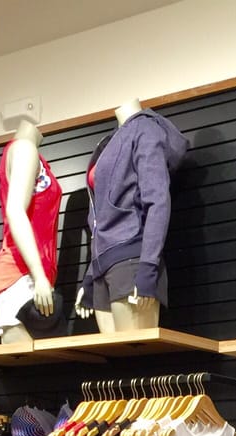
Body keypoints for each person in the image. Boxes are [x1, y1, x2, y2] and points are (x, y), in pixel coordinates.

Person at [75, 98, 189, 333]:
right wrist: (90, 274)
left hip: (131, 260)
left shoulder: (145, 129)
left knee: (135, 353)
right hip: (103, 265)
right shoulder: (109, 141)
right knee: (114, 357)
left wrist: (148, 267)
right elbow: (99, 217)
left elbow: (157, 201)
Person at [0, 114, 63, 344]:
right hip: (19, 275)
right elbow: (15, 211)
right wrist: (39, 275)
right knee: (28, 364)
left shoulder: (33, 155)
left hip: (33, 276)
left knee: (42, 365)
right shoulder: (24, 149)